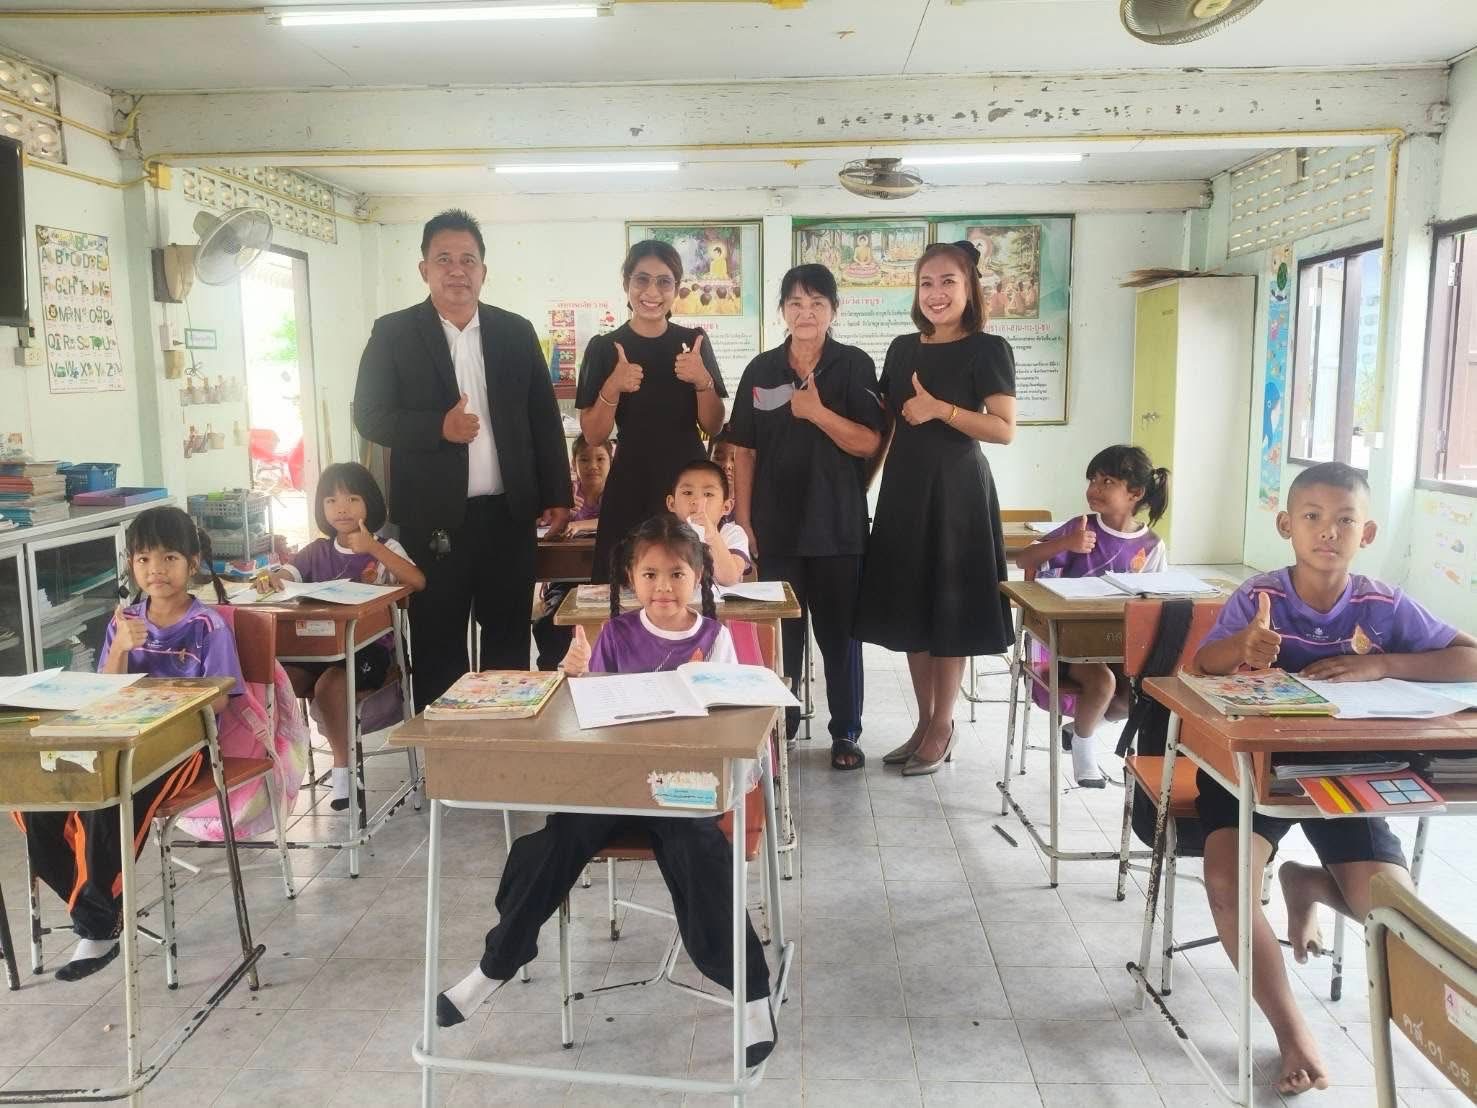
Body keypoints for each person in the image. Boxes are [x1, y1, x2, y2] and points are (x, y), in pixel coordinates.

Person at [435, 514, 776, 1067]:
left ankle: (752, 995)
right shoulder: (614, 633)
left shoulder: (714, 639)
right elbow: (585, 718)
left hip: (678, 789)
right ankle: (494, 966)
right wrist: (574, 677)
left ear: (698, 577)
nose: (663, 587)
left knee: (703, 857)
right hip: (611, 788)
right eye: (650, 574)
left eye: (677, 574)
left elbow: (735, 720)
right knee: (554, 843)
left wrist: (703, 694)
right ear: (631, 578)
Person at [1192, 462, 1477, 1096]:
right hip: (1251, 769)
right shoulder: (1260, 596)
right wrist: (1241, 649)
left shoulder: (1383, 604)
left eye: (1345, 520)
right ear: (1285, 525)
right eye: (1313, 517)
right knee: (1227, 885)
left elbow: (1470, 657)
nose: (1329, 531)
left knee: (1395, 918)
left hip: (1348, 772)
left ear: (1367, 532)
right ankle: (1292, 1033)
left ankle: (1309, 883)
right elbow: (1203, 664)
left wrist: (1384, 665)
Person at [353, 208, 572, 709]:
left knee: (508, 639)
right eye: (444, 259)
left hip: (509, 517)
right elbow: (368, 415)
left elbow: (544, 418)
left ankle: (502, 745)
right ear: (424, 269)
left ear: (483, 271)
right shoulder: (393, 333)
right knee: (438, 642)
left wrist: (557, 494)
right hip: (433, 523)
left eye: (468, 260)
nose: (457, 270)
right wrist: (438, 427)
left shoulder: (516, 332)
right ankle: (444, 750)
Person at [12, 506, 243, 982]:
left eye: (169, 557)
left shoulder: (208, 625)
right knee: (35, 803)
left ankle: (98, 927)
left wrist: (169, 702)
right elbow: (106, 690)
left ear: (192, 563)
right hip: (116, 738)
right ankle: (98, 907)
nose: (155, 569)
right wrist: (119, 647)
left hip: (180, 744)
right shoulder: (126, 620)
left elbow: (220, 699)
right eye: (143, 559)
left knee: (108, 803)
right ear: (131, 565)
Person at [855, 241, 1017, 776]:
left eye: (948, 281)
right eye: (927, 283)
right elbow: (888, 425)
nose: (936, 293)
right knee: (911, 609)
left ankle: (944, 723)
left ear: (970, 288)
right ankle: (924, 720)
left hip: (957, 494)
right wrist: (864, 484)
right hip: (904, 490)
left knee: (950, 609)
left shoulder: (988, 349)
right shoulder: (903, 348)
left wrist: (941, 409)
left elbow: (1003, 429)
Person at [729, 264, 884, 770]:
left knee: (841, 638)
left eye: (817, 302)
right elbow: (744, 451)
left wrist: (817, 412)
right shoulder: (761, 370)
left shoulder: (854, 365)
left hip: (837, 527)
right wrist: (744, 523)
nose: (806, 312)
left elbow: (870, 441)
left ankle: (846, 733)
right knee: (782, 636)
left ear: (834, 310)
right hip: (776, 528)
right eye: (795, 302)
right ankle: (783, 725)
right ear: (782, 311)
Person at [258, 462, 426, 810]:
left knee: (330, 685)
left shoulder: (387, 547)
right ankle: (279, 764)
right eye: (331, 501)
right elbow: (286, 575)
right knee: (276, 679)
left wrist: (372, 548)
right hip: (317, 649)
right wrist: (272, 579)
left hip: (370, 650)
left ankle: (343, 769)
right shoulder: (316, 551)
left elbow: (418, 581)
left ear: (370, 504)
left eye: (352, 499)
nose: (342, 508)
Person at [1015, 444, 1170, 786]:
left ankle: (1079, 730)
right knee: (1102, 683)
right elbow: (1024, 560)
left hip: (1118, 644)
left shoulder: (1152, 546)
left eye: (1107, 482)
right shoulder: (1079, 528)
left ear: (1135, 494)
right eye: (1093, 480)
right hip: (1069, 643)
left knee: (1137, 697)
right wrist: (1065, 544)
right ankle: (1084, 754)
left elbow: (1155, 604)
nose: (1094, 489)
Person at [576, 240, 726, 583]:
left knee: (688, 583)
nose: (652, 292)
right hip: (630, 481)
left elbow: (714, 424)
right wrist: (612, 386)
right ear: (626, 284)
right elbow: (594, 435)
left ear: (676, 288)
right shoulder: (604, 348)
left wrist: (702, 380)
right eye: (641, 279)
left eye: (664, 281)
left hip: (687, 485)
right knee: (623, 585)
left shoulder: (694, 342)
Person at [532, 436, 611, 669]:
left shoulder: (616, 494)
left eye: (600, 459)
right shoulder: (565, 494)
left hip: (605, 578)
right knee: (548, 624)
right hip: (565, 580)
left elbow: (614, 520)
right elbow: (541, 521)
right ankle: (550, 671)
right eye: (584, 460)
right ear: (573, 463)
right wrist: (562, 514)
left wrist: (579, 525)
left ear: (611, 462)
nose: (592, 466)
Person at [667, 458, 750, 587]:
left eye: (708, 494)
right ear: (671, 504)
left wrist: (712, 536)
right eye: (687, 493)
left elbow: (730, 579)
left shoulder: (732, 534)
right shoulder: (664, 535)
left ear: (726, 507)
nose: (697, 500)